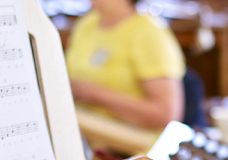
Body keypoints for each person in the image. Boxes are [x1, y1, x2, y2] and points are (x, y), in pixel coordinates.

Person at [64, 0, 185, 145]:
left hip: (128, 146)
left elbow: (165, 114)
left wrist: (96, 94)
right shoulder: (86, 23)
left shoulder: (148, 32)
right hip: (84, 134)